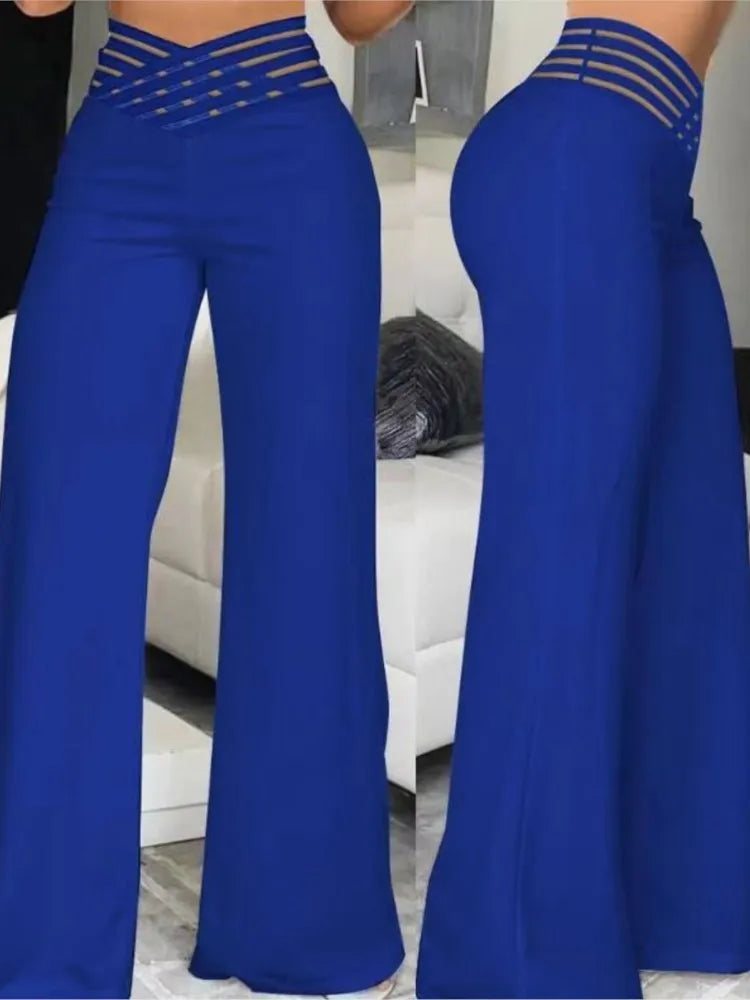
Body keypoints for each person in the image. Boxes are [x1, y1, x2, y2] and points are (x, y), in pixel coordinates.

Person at [0, 1, 412, 997]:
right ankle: (42, 952)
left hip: (292, 149)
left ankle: (300, 929)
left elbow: (363, 18)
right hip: (120, 146)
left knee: (307, 550)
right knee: (57, 548)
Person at [417, 3, 750, 998]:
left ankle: (675, 900)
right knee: (566, 562)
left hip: (648, 174)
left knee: (694, 543)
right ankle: (519, 962)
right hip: (575, 155)